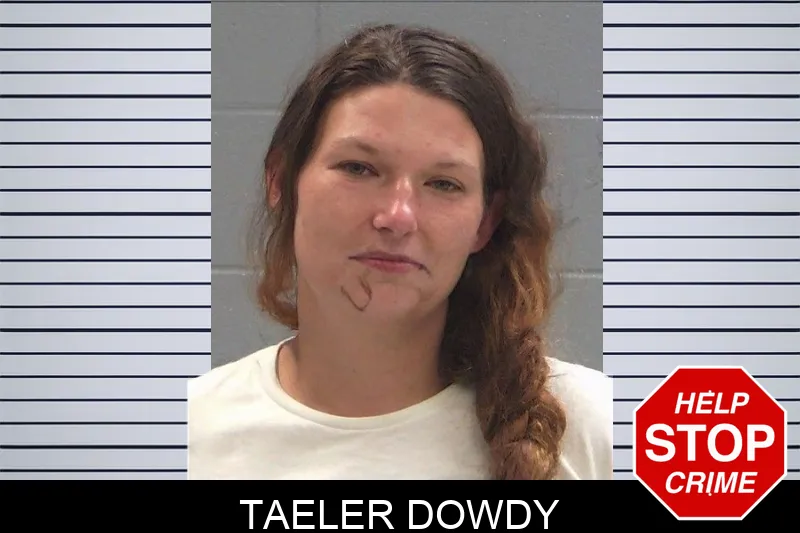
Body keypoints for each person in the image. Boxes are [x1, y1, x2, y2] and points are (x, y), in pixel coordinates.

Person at [188, 23, 612, 480]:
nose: (397, 216)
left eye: (444, 184)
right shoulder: (190, 433)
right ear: (280, 182)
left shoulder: (602, 428)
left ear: (485, 222)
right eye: (359, 168)